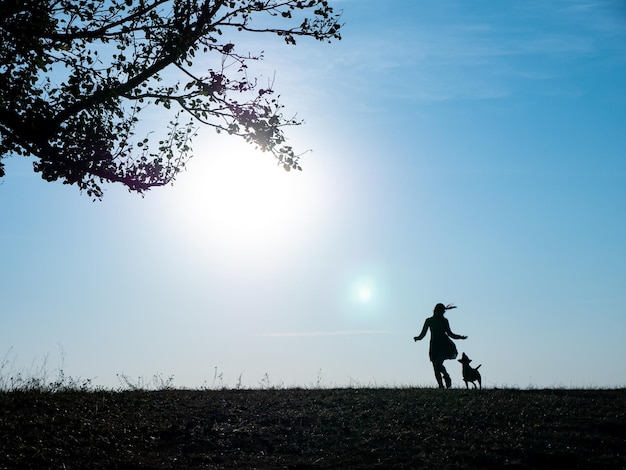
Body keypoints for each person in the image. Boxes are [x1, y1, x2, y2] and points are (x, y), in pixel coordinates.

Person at [414, 303, 467, 388]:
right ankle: (441, 386)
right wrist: (418, 338)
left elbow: (450, 334)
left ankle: (446, 376)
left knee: (438, 363)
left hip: (444, 345)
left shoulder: (444, 321)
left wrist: (460, 337)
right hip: (434, 346)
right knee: (435, 367)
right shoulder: (429, 320)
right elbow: (423, 333)